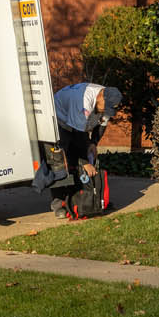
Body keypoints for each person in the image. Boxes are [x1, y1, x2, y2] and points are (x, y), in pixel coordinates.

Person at [44, 82, 122, 218]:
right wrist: (85, 162)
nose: (105, 111)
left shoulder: (106, 99)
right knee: (60, 162)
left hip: (77, 123)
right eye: (105, 107)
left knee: (85, 156)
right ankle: (59, 205)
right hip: (58, 120)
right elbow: (79, 135)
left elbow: (102, 124)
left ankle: (87, 199)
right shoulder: (83, 100)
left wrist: (93, 143)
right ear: (100, 97)